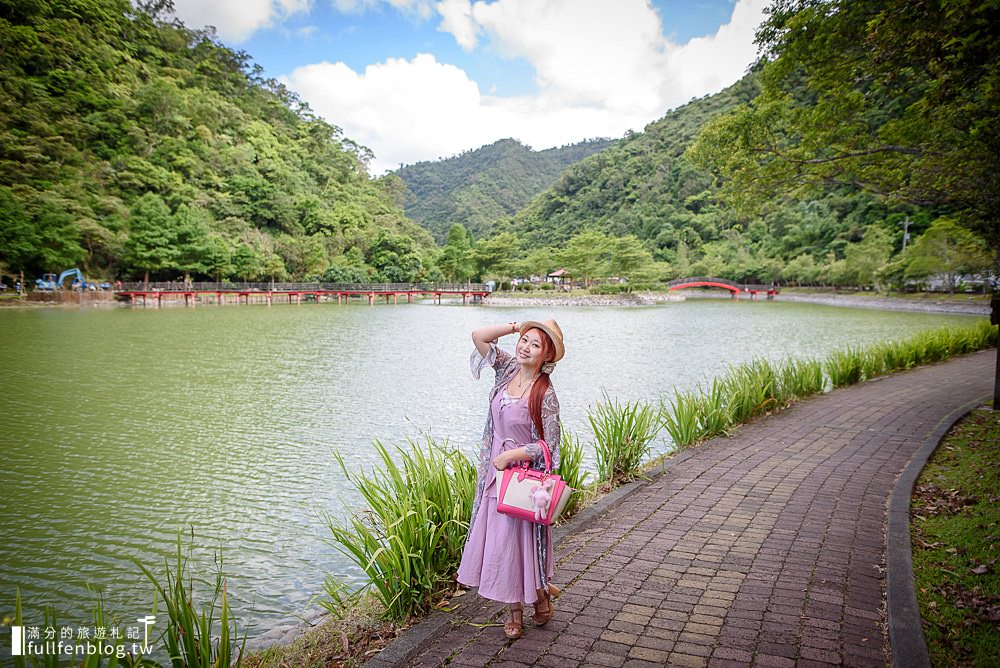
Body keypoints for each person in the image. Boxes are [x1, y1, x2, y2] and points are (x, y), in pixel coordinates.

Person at [456, 318, 565, 640]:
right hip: (494, 477)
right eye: (525, 340)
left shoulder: (545, 393)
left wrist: (511, 456)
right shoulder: (506, 370)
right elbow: (478, 335)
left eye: (535, 345)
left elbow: (551, 446)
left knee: (520, 547)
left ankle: (540, 597)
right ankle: (515, 609)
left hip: (523, 482)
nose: (526, 348)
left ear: (546, 356)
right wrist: (514, 326)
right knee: (502, 546)